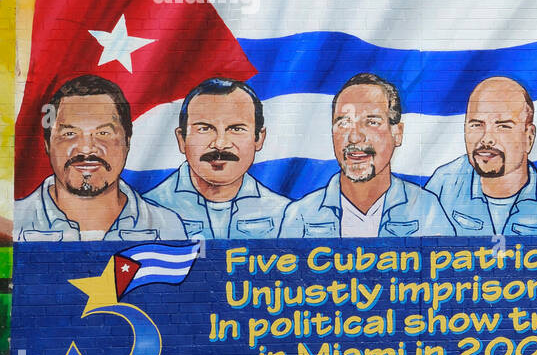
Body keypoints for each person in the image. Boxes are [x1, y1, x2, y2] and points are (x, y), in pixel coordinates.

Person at [280, 73, 454, 238]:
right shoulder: (300, 215)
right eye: (343, 123)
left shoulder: (426, 208)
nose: (354, 137)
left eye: (372, 122)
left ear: (397, 133)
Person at [15, 74, 186, 241]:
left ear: (127, 141)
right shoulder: (12, 224)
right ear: (47, 144)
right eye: (70, 133)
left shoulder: (167, 227)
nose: (87, 148)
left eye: (103, 133)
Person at [425, 77, 537, 235]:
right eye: (476, 125)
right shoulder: (444, 184)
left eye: (503, 126)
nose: (487, 138)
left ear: (529, 137)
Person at [145, 78, 289, 238]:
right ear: (182, 139)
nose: (220, 144)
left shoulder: (284, 215)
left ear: (259, 138)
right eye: (204, 128)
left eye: (236, 129)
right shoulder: (148, 213)